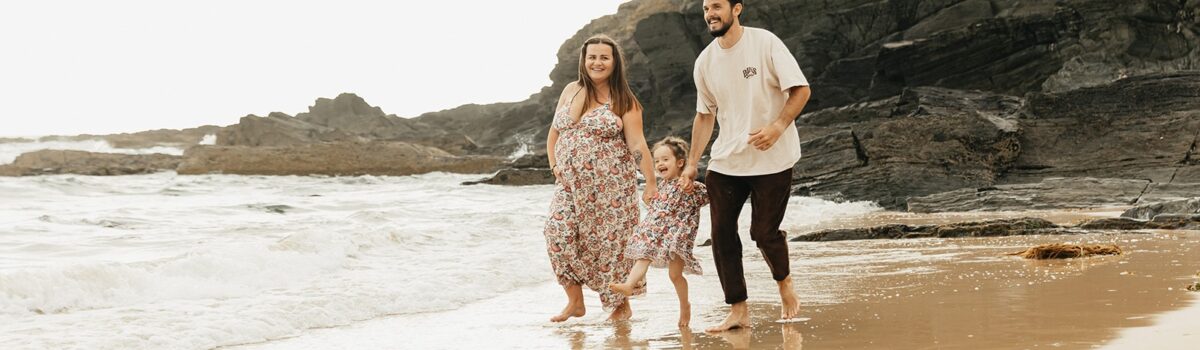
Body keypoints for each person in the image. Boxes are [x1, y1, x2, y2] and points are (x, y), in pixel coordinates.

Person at [681, 0, 814, 332]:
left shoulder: (765, 43)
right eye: (705, 8)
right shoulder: (705, 61)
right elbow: (704, 114)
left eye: (716, 6)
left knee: (763, 233)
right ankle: (738, 309)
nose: (710, 13)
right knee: (722, 234)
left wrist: (777, 127)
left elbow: (801, 90)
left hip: (774, 157)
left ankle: (784, 284)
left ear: (736, 9)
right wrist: (692, 163)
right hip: (727, 160)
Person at [544, 34, 658, 322]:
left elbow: (637, 145)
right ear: (584, 60)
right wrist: (555, 165)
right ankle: (575, 302)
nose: (597, 62)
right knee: (557, 232)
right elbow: (554, 133)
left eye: (604, 57)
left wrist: (651, 182)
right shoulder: (570, 90)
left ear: (614, 62)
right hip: (570, 185)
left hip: (612, 189)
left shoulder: (624, 100)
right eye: (592, 56)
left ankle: (619, 309)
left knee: (612, 249)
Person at [610, 137, 709, 328]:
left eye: (665, 159)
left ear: (680, 163)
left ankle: (684, 306)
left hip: (679, 236)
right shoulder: (660, 186)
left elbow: (713, 196)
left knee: (675, 275)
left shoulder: (689, 186)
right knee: (644, 253)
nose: (660, 164)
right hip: (658, 234)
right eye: (656, 161)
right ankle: (629, 284)